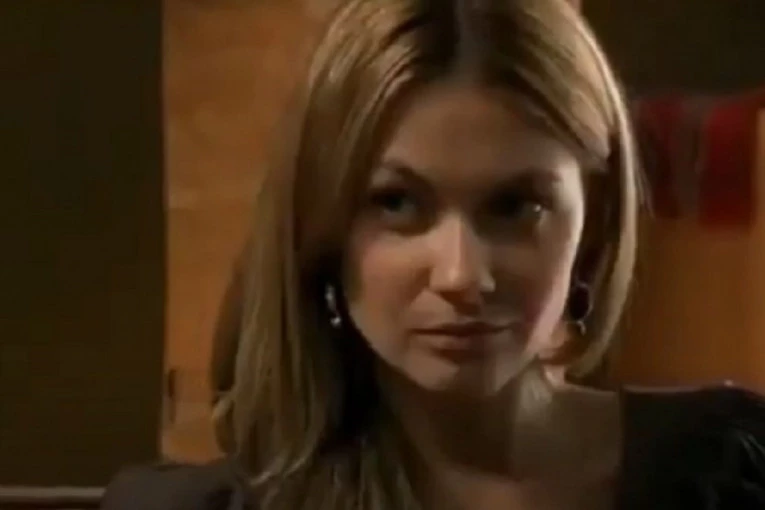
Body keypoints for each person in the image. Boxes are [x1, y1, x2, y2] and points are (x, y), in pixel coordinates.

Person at [101, 0, 765, 508]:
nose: (462, 275)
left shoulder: (728, 470)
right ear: (323, 225)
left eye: (515, 206)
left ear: (594, 222)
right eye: (396, 204)